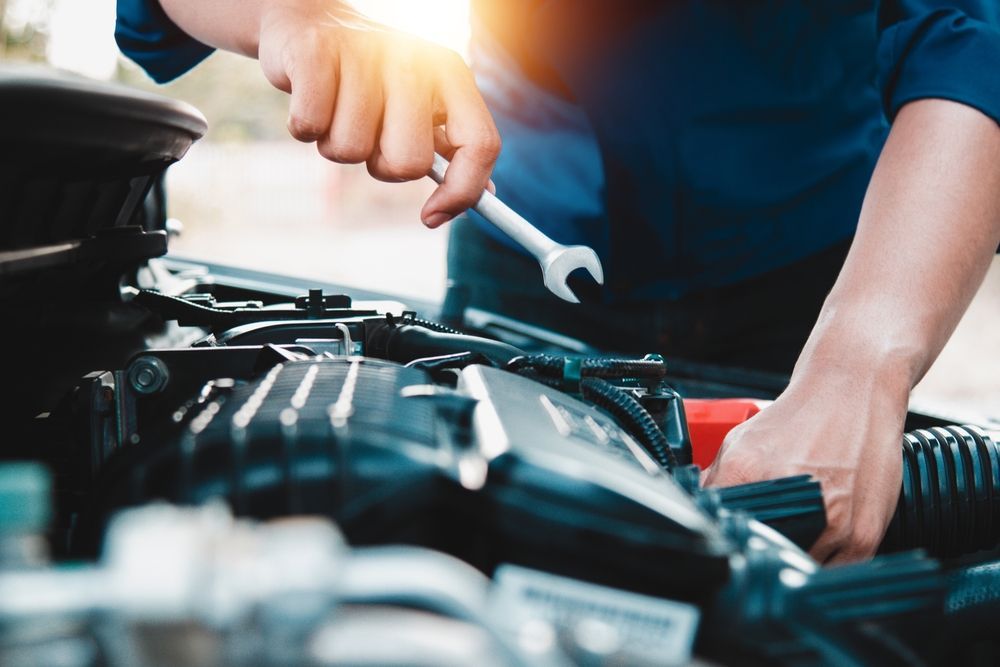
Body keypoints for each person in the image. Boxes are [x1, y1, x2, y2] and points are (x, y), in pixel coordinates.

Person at [116, 0, 1000, 563]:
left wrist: (858, 364)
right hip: (530, 253)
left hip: (822, 263)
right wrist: (296, 14)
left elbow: (973, 34)